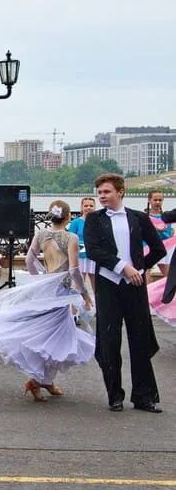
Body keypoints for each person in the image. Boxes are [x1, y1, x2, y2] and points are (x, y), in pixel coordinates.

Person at [0, 200, 95, 402]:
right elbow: (73, 270)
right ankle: (37, 381)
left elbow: (29, 260)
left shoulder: (41, 234)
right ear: (68, 217)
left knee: (50, 336)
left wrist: (39, 280)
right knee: (56, 338)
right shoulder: (71, 237)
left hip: (46, 288)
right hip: (62, 289)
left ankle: (44, 381)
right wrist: (84, 294)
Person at [84, 173, 165, 413]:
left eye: (106, 192)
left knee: (140, 340)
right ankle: (114, 395)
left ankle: (144, 396)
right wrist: (123, 267)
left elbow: (159, 248)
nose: (102, 197)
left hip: (135, 286)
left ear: (120, 191)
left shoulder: (139, 218)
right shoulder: (94, 220)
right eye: (99, 193)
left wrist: (140, 268)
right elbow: (94, 251)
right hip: (108, 285)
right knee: (109, 341)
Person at [67, 197, 97, 296]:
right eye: (86, 205)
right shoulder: (76, 222)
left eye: (91, 206)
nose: (88, 208)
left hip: (94, 256)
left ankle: (99, 306)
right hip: (80, 256)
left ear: (95, 207)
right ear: (81, 207)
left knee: (95, 281)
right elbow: (70, 238)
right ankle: (77, 307)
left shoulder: (99, 222)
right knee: (79, 282)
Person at [146, 190, 174, 281]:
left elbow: (169, 234)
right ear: (149, 200)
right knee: (145, 276)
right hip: (147, 247)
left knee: (169, 277)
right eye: (155, 200)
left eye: (160, 200)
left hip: (165, 247)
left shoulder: (167, 216)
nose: (158, 202)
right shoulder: (143, 216)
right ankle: (147, 294)